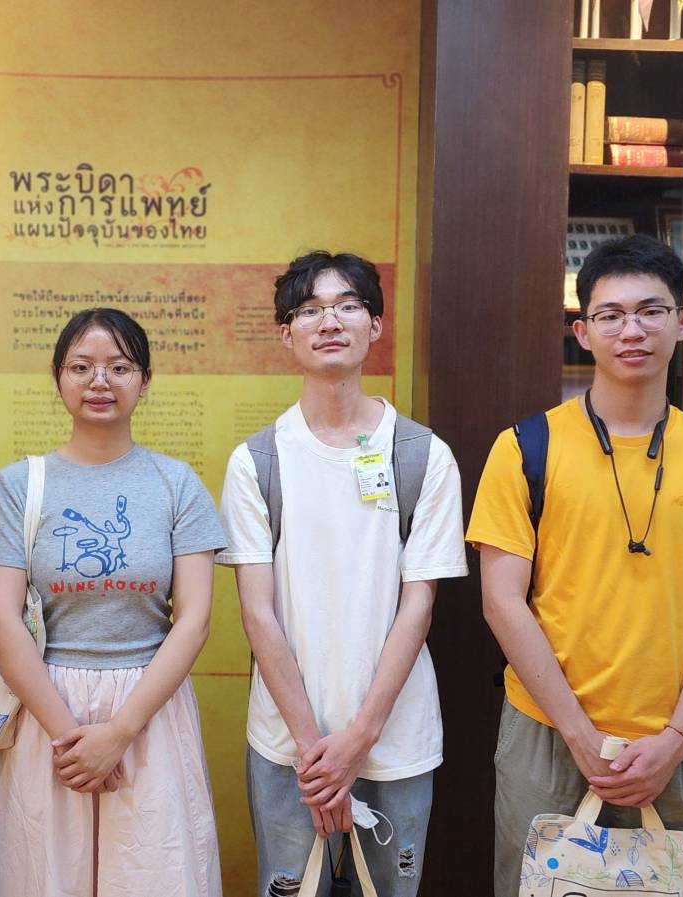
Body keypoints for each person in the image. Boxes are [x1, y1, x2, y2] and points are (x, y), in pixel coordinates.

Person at [469, 235, 683, 897]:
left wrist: (674, 738)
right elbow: (502, 601)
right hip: (549, 736)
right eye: (610, 315)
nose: (631, 331)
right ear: (582, 332)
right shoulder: (524, 448)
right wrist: (580, 734)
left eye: (650, 311)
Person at [219, 251, 468, 896]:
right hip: (287, 746)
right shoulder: (257, 462)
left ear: (375, 325)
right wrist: (315, 754)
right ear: (286, 334)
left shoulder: (423, 456)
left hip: (395, 741)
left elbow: (418, 606)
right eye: (309, 311)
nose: (329, 322)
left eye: (348, 306)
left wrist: (359, 740)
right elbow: (257, 613)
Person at [0, 308, 227, 897]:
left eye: (120, 367)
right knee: (42, 878)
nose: (100, 381)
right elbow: (3, 621)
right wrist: (70, 738)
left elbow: (193, 621)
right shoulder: (20, 484)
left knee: (152, 878)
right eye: (81, 367)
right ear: (58, 378)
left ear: (145, 381)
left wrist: (118, 733)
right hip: (46, 709)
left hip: (148, 710)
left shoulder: (177, 484)